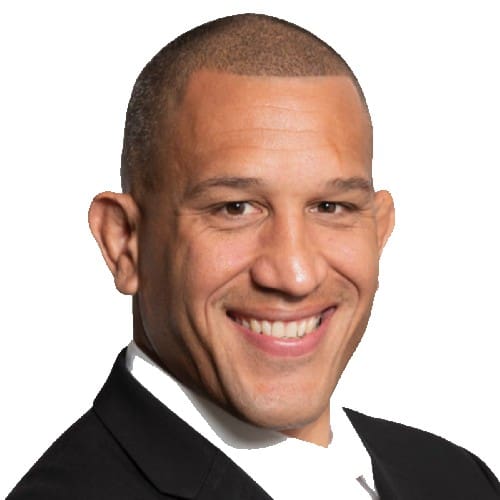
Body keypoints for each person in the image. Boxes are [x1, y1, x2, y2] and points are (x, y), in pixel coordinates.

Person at [7, 13, 500, 500]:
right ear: (124, 242)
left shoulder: (458, 479)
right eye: (235, 208)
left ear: (378, 230)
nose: (295, 274)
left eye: (331, 207)